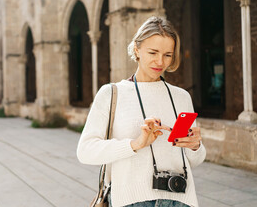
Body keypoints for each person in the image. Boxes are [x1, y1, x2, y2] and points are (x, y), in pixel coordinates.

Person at [77, 16, 206, 207]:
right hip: (131, 201)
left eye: (168, 55)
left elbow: (194, 160)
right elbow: (85, 151)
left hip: (180, 200)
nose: (160, 61)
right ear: (137, 49)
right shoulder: (112, 93)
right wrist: (135, 144)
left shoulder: (181, 97)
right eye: (153, 52)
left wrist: (195, 146)